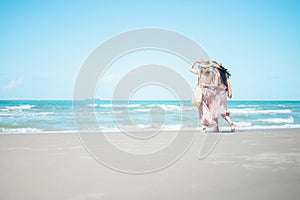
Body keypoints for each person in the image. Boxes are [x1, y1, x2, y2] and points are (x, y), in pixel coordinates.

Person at [189, 59, 235, 132]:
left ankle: (206, 126)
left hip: (202, 92)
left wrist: (195, 62)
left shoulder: (200, 73)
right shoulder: (212, 73)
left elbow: (190, 69)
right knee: (211, 109)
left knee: (202, 109)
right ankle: (215, 127)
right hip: (210, 93)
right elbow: (215, 84)